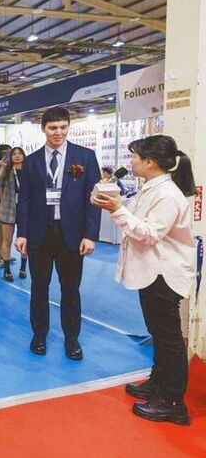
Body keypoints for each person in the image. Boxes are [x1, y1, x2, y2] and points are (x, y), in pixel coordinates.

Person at [92, 135, 196, 426]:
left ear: (150, 162)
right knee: (157, 332)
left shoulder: (167, 195)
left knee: (168, 336)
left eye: (135, 156)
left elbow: (149, 233)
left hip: (164, 273)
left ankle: (173, 401)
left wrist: (117, 210)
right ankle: (159, 382)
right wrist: (111, 203)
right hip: (152, 271)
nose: (132, 161)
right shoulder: (150, 188)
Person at [15, 106, 100, 360]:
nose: (58, 132)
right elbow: (24, 200)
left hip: (71, 235)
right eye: (53, 127)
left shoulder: (85, 157)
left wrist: (90, 235)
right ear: (43, 129)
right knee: (39, 289)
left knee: (71, 290)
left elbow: (93, 199)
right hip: (39, 234)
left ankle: (72, 339)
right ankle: (39, 335)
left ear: (68, 127)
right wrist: (22, 233)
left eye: (63, 127)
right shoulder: (31, 161)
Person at [0, 147, 28, 281]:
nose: (17, 156)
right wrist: (2, 167)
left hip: (25, 210)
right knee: (7, 240)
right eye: (14, 154)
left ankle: (23, 268)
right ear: (10, 157)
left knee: (25, 240)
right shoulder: (7, 171)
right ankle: (7, 270)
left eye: (20, 153)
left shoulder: (29, 171)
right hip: (8, 209)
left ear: (24, 156)